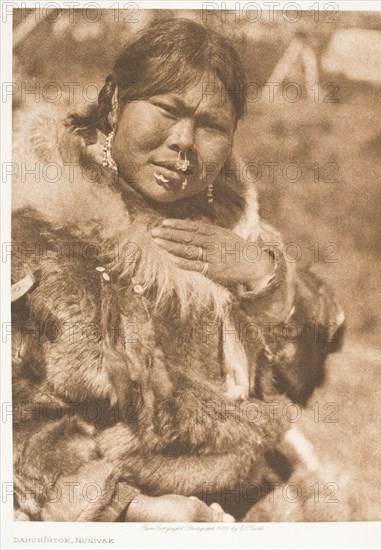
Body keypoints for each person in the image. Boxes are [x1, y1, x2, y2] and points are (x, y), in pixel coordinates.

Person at [11, 18, 344, 522]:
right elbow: (22, 427)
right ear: (116, 102)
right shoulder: (39, 236)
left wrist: (265, 280)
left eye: (212, 126)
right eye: (168, 110)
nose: (184, 141)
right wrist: (128, 508)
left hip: (250, 492)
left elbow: (307, 370)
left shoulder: (238, 232)